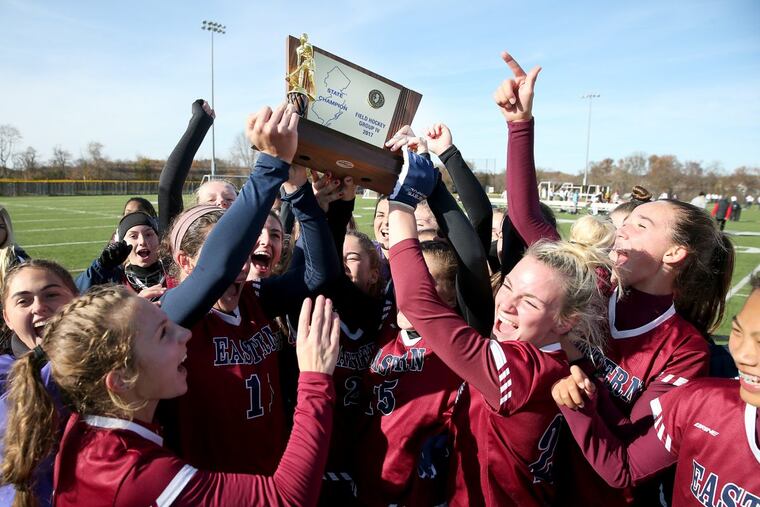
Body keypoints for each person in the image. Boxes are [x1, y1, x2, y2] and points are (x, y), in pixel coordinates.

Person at [384, 138, 613, 506]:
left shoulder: (522, 372)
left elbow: (417, 303)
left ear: (566, 320)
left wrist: (402, 204)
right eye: (507, 287)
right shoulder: (559, 358)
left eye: (530, 301)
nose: (506, 306)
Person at [1, 286, 341, 507]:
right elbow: (286, 500)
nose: (185, 333)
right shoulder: (131, 473)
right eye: (164, 333)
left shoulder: (85, 423)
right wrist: (316, 379)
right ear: (120, 378)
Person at [157, 103, 340, 475]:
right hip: (215, 492)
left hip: (272, 478)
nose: (242, 264)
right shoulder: (171, 314)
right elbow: (217, 270)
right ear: (186, 260)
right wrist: (270, 163)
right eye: (234, 251)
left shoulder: (255, 300)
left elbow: (320, 274)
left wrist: (300, 190)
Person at [552, 275, 760, 505]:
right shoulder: (699, 401)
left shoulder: (684, 349)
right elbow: (626, 466)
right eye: (737, 332)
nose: (743, 355)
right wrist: (579, 396)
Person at [0, 260, 78, 506]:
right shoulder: (4, 373)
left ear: (77, 301)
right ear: (7, 318)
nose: (40, 307)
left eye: (51, 294)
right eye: (23, 301)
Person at [76, 211, 168, 300]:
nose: (142, 241)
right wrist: (100, 268)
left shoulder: (173, 272)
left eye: (148, 234)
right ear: (122, 243)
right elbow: (75, 297)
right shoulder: (115, 279)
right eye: (133, 236)